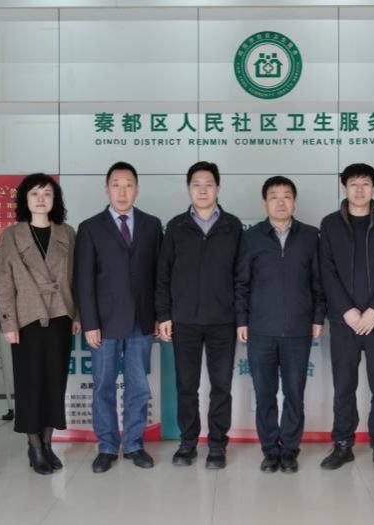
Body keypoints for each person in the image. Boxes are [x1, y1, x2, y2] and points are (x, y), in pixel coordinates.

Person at [76, 161, 163, 474]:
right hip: (104, 323)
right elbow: (83, 280)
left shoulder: (152, 225)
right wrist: (90, 323)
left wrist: (159, 315)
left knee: (138, 386)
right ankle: (108, 446)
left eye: (128, 185)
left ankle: (135, 444)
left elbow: (159, 275)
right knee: (103, 386)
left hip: (142, 321)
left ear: (137, 189)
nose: (122, 191)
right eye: (116, 185)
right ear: (107, 189)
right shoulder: (90, 227)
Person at [235, 176, 325, 473]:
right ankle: (270, 450)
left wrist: (317, 317)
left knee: (294, 394)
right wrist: (241, 320)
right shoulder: (252, 237)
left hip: (298, 330)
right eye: (274, 196)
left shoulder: (310, 236)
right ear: (265, 203)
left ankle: (290, 450)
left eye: (287, 195)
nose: (281, 201)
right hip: (260, 330)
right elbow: (241, 283)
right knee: (265, 395)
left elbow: (319, 282)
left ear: (294, 202)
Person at [156, 161, 242, 469]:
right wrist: (164, 314)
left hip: (223, 321)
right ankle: (188, 442)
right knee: (186, 386)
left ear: (218, 188)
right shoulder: (176, 227)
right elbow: (163, 275)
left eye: (208, 184)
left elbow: (241, 277)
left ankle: (217, 444)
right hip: (185, 321)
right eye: (196, 184)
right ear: (188, 188)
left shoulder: (233, 226)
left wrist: (241, 318)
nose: (202, 190)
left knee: (221, 386)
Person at [319, 163, 374, 476]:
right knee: (344, 386)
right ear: (344, 187)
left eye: (365, 183)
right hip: (345, 323)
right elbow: (326, 270)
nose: (359, 189)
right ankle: (342, 444)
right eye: (353, 183)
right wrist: (348, 311)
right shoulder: (330, 224)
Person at [0, 173, 80, 476]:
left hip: (60, 316)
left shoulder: (67, 232)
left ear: (55, 199)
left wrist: (77, 315)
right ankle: (34, 446)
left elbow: (76, 277)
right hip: (27, 318)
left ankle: (47, 443)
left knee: (55, 383)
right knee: (30, 383)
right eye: (34, 193)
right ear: (25, 199)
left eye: (47, 193)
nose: (41, 199)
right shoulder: (11, 235)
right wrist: (8, 322)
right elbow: (4, 281)